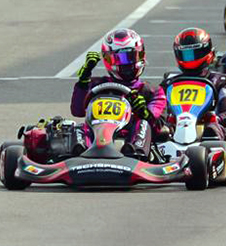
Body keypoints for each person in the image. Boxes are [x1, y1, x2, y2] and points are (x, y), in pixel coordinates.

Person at [70, 28, 167, 159]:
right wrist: (83, 81)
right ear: (108, 60)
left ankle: (134, 153)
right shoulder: (97, 85)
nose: (126, 64)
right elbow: (78, 111)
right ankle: (79, 152)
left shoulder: (151, 91)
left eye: (130, 57)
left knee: (143, 124)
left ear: (141, 55)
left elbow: (158, 127)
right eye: (120, 59)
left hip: (131, 137)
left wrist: (143, 112)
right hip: (97, 133)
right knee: (79, 127)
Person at [160, 28, 226, 139]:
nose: (191, 58)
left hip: (211, 128)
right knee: (160, 130)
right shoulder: (169, 82)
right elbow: (158, 110)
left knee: (212, 128)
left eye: (195, 54)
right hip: (176, 128)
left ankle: (213, 150)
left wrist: (217, 118)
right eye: (186, 55)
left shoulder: (223, 81)